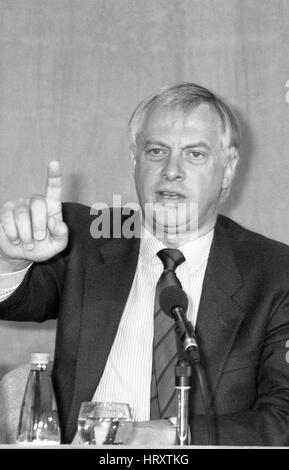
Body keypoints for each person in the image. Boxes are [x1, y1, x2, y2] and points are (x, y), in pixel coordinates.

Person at [0, 82, 289, 446]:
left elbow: (283, 419)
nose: (171, 170)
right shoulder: (86, 237)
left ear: (228, 170)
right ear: (135, 160)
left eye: (195, 154)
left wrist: (172, 434)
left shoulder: (275, 272)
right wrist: (9, 257)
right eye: (156, 151)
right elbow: (16, 299)